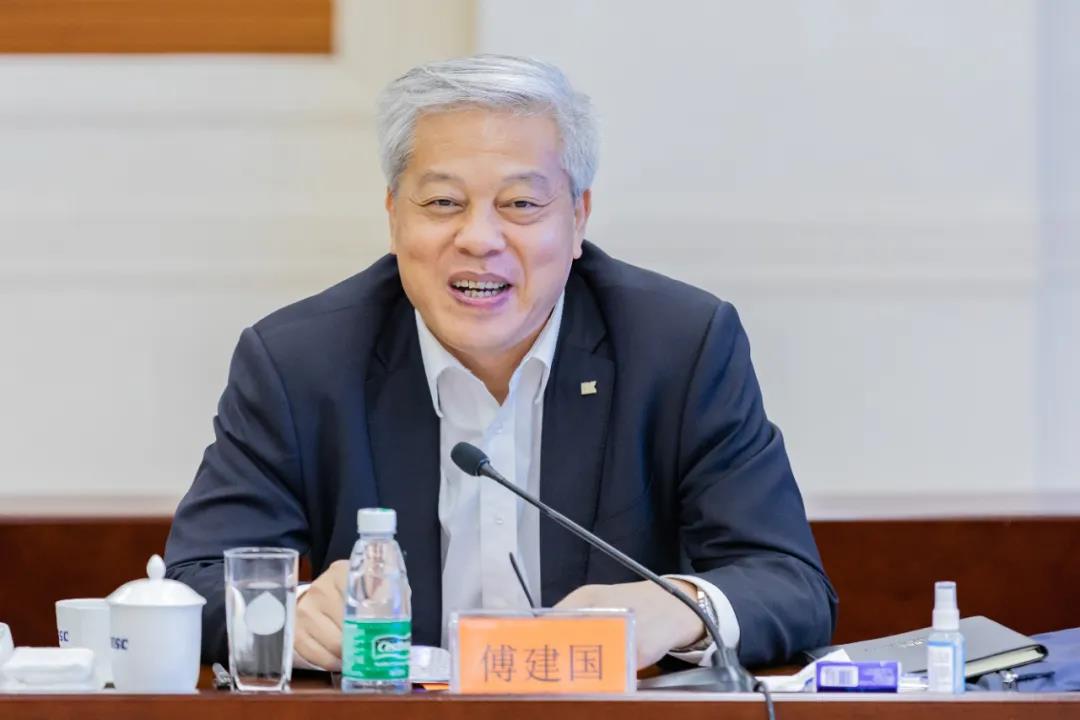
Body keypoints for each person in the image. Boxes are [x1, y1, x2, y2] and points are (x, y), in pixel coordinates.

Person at [164, 54, 837, 672]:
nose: (480, 239)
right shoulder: (300, 362)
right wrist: (294, 613)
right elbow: (193, 583)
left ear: (578, 218)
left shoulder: (679, 347)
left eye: (520, 204)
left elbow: (789, 582)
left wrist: (674, 609)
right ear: (394, 216)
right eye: (443, 203)